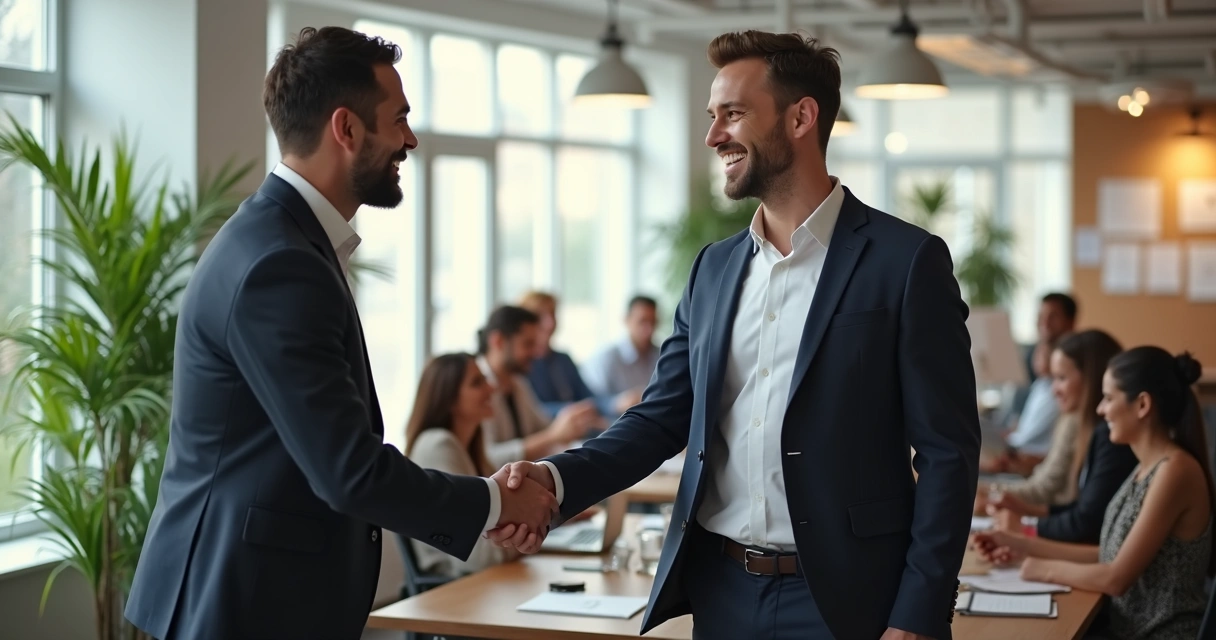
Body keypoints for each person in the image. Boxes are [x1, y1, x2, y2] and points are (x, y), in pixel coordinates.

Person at [491, 31, 980, 640]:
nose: (713, 135)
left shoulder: (906, 262)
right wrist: (558, 479)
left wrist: (920, 612)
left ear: (802, 117)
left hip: (852, 600)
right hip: (722, 595)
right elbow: (663, 416)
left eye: (733, 113)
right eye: (711, 116)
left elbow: (947, 456)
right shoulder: (713, 269)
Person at [124, 27, 555, 640]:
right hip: (242, 605)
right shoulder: (282, 262)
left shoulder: (281, 240)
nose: (410, 138)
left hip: (254, 596)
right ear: (347, 129)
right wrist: (493, 503)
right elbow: (347, 470)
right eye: (399, 118)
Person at [973, 348, 1214, 640]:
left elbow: (1116, 579)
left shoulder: (1175, 471)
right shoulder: (1146, 468)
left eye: (1109, 398)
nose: (1100, 409)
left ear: (1142, 405)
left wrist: (1042, 569)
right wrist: (1019, 544)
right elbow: (1109, 555)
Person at [986, 330, 1137, 543]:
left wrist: (1025, 527)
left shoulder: (1110, 437)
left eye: (1061, 378)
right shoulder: (1084, 425)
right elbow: (1082, 510)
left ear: (1091, 379)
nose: (1054, 390)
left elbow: (1088, 523)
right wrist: (1025, 511)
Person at [404, 354, 521, 577]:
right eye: (477, 383)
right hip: (453, 589)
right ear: (447, 398)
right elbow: (479, 557)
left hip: (477, 582)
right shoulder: (439, 445)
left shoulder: (468, 445)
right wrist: (537, 530)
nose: (491, 388)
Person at [476, 305, 598, 469]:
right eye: (528, 344)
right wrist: (553, 436)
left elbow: (543, 427)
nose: (536, 353)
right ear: (498, 341)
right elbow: (487, 458)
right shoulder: (476, 387)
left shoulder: (518, 383)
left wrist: (570, 426)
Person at [518, 291, 614, 420]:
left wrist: (615, 403)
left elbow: (589, 398)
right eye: (540, 316)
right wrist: (572, 409)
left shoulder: (563, 360)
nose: (550, 323)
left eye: (552, 314)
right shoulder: (523, 364)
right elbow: (532, 411)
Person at [983, 338, 1061, 475]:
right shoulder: (1039, 385)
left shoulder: (1054, 393)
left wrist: (1010, 439)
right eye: (1036, 354)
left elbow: (1030, 434)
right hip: (1019, 446)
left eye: (1043, 355)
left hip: (1029, 452)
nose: (1036, 360)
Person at [581, 295, 661, 415]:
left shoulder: (661, 356)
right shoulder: (606, 359)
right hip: (616, 425)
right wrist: (618, 403)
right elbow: (592, 401)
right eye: (642, 321)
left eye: (653, 322)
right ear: (626, 320)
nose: (648, 329)